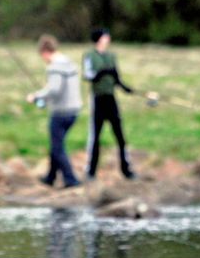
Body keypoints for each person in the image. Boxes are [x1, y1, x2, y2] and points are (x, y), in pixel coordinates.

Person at [26, 34, 82, 188]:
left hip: (61, 112)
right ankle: (50, 177)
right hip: (74, 110)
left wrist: (36, 96)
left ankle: (71, 180)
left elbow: (55, 89)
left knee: (58, 148)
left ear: (45, 51)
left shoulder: (55, 66)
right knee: (56, 144)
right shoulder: (68, 62)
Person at [82, 27, 135, 180]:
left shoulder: (111, 56)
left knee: (120, 135)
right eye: (106, 36)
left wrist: (125, 87)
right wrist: (102, 73)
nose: (108, 39)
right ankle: (91, 171)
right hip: (97, 99)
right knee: (95, 136)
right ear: (99, 39)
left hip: (111, 98)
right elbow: (88, 75)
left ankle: (126, 169)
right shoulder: (90, 56)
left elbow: (116, 76)